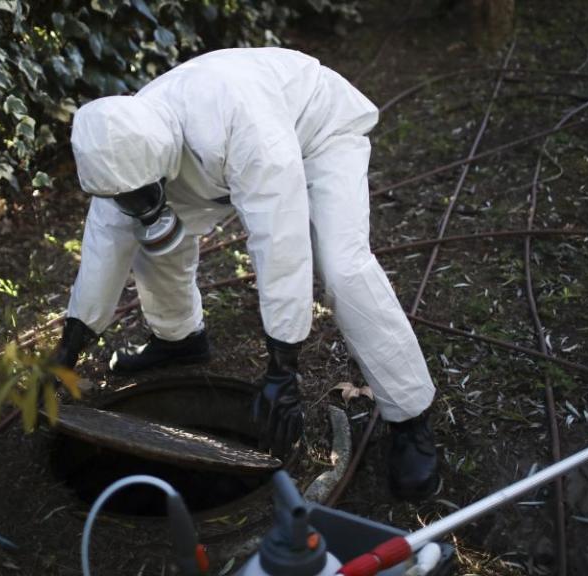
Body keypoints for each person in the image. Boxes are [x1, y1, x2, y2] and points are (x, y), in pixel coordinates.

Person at [53, 47, 439, 499]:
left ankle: (410, 417)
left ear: (158, 162)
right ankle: (178, 339)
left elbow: (281, 242)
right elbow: (105, 244)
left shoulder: (239, 123)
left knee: (342, 267)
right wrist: (70, 345)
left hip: (315, 134)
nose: (132, 203)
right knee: (148, 241)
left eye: (142, 194)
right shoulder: (117, 147)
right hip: (200, 167)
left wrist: (282, 369)